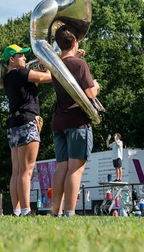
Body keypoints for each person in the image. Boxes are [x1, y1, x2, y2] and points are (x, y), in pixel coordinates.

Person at [49, 25, 98, 217]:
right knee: (75, 169)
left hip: (58, 121)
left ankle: (56, 211)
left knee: (61, 167)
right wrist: (97, 85)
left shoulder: (55, 65)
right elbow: (91, 93)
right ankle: (69, 212)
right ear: (75, 42)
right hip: (77, 121)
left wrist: (76, 56)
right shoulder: (80, 65)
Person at [1, 44, 52, 217]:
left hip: (14, 124)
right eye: (20, 55)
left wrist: (41, 69)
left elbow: (33, 84)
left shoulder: (8, 77)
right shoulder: (20, 73)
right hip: (26, 122)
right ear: (11, 59)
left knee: (16, 170)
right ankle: (26, 210)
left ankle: (17, 210)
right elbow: (48, 78)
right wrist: (50, 67)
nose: (24, 58)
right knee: (27, 170)